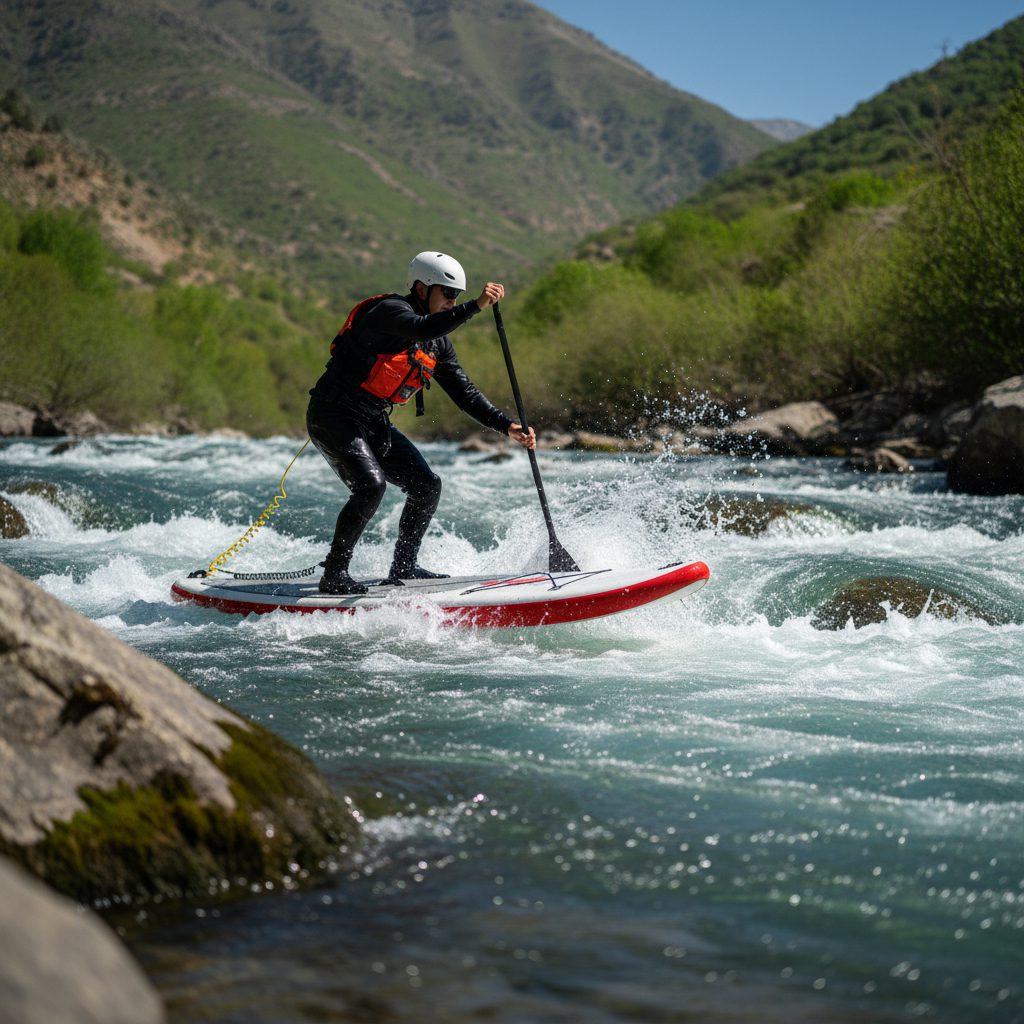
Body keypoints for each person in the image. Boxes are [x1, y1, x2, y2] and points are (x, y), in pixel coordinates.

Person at [306, 251, 536, 595]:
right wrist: (474, 306)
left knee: (427, 485)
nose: (452, 301)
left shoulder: (438, 343)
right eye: (447, 293)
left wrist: (506, 426)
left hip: (372, 420)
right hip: (333, 414)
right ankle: (334, 573)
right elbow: (420, 327)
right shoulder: (389, 312)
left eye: (456, 295)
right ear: (420, 288)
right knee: (371, 486)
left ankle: (404, 566)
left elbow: (464, 393)